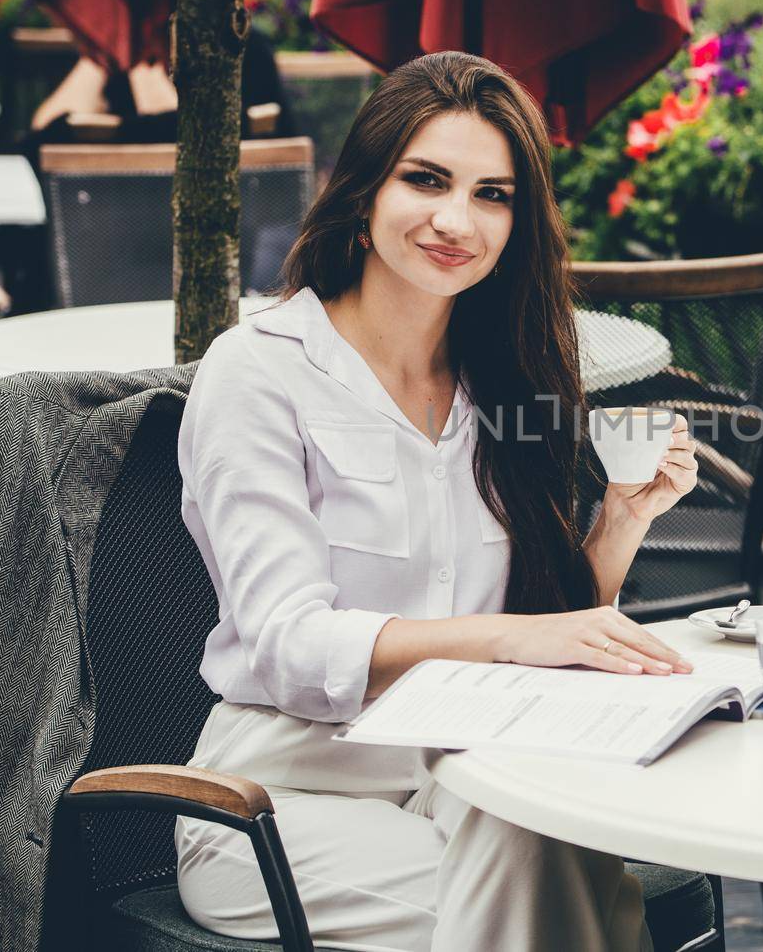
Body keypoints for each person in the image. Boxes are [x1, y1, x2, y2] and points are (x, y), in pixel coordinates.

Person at [174, 50, 700, 952]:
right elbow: (291, 645)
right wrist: (510, 640)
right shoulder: (259, 370)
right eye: (426, 180)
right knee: (564, 898)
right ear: (364, 190)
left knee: (539, 832)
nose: (456, 219)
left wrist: (621, 522)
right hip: (283, 796)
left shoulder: (503, 376)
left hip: (467, 770)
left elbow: (545, 628)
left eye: (493, 194)